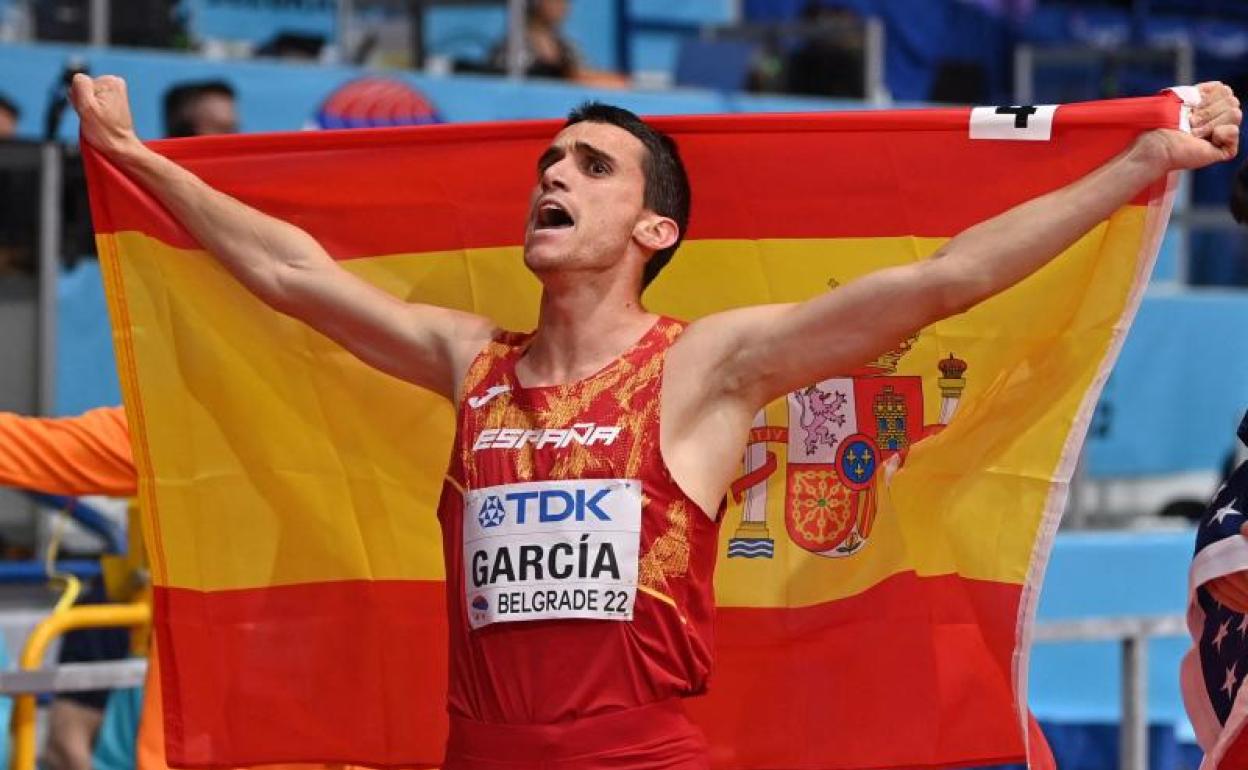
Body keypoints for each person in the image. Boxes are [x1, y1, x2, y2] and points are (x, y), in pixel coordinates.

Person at [70, 73, 1240, 768]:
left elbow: (943, 281)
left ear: (655, 230)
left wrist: (1137, 159)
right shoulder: (469, 361)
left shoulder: (708, 369)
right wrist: (134, 159)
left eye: (590, 164)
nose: (554, 173)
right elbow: (291, 273)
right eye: (548, 158)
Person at [490, 0, 628, 87]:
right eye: (556, 1)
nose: (563, 6)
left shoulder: (567, 46)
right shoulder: (513, 46)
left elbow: (583, 73)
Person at [161, 80, 237, 139]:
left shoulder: (239, 156)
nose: (231, 136)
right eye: (219, 127)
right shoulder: (155, 157)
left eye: (232, 129)